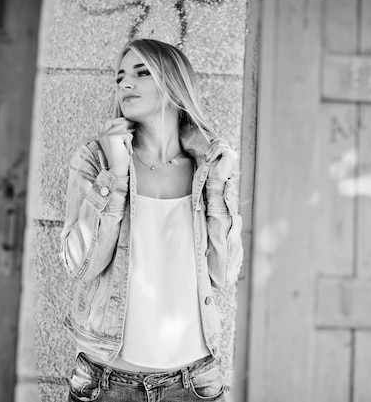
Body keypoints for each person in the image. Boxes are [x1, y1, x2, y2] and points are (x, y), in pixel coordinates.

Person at [59, 38, 243, 402]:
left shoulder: (208, 168)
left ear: (174, 83)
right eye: (121, 76)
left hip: (195, 384)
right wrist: (114, 174)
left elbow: (224, 273)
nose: (125, 83)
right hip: (107, 384)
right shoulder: (95, 160)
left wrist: (220, 187)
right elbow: (78, 264)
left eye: (142, 73)